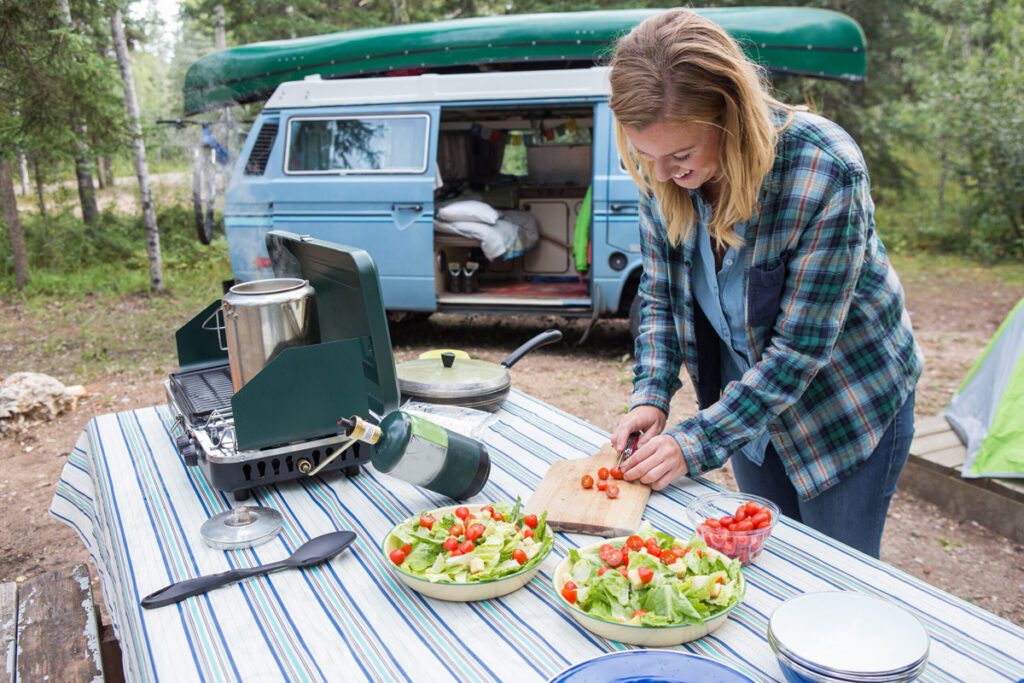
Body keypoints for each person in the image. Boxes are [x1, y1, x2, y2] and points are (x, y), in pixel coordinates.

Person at [608, 9, 922, 558]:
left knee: (836, 577)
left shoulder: (824, 169)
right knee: (764, 559)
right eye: (646, 156)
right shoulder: (663, 171)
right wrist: (651, 393)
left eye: (679, 156)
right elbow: (659, 294)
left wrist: (694, 443)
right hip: (748, 410)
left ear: (730, 117)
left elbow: (800, 351)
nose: (661, 175)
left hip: (844, 406)